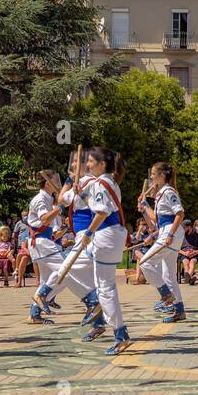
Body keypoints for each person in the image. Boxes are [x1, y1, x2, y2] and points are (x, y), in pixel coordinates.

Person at [32, 149, 107, 336]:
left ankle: (43, 294)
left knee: (67, 268)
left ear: (86, 165)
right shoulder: (80, 183)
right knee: (86, 278)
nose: (71, 167)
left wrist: (80, 193)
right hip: (79, 236)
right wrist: (69, 183)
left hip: (90, 235)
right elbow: (61, 200)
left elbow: (100, 209)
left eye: (75, 163)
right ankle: (98, 320)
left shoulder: (93, 183)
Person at [79, 147, 133, 353]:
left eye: (91, 161)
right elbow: (97, 204)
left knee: (105, 287)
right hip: (111, 235)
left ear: (102, 164)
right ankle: (100, 312)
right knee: (103, 285)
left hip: (105, 234)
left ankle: (120, 334)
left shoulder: (101, 183)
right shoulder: (108, 182)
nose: (88, 165)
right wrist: (81, 194)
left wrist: (88, 233)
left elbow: (101, 211)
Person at [138, 161, 187, 323]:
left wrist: (170, 234)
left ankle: (165, 294)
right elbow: (156, 221)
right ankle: (179, 310)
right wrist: (144, 207)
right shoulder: (160, 194)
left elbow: (180, 213)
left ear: (161, 175)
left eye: (153, 174)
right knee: (168, 274)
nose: (151, 177)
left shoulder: (168, 191)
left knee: (145, 262)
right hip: (166, 232)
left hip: (171, 233)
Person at [25, 170, 68, 324]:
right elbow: (44, 219)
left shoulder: (48, 199)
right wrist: (58, 208)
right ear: (48, 183)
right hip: (41, 242)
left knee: (47, 279)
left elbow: (51, 228)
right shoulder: (40, 199)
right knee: (66, 270)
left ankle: (34, 313)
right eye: (56, 180)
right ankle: (42, 296)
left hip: (44, 241)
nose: (59, 184)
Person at [180, 220, 198, 285]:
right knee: (186, 263)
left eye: (184, 227)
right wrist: (185, 253)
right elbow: (177, 249)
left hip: (194, 253)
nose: (183, 229)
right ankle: (190, 279)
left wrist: (195, 252)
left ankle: (187, 278)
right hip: (184, 253)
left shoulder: (197, 235)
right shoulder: (181, 235)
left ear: (189, 227)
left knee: (192, 263)